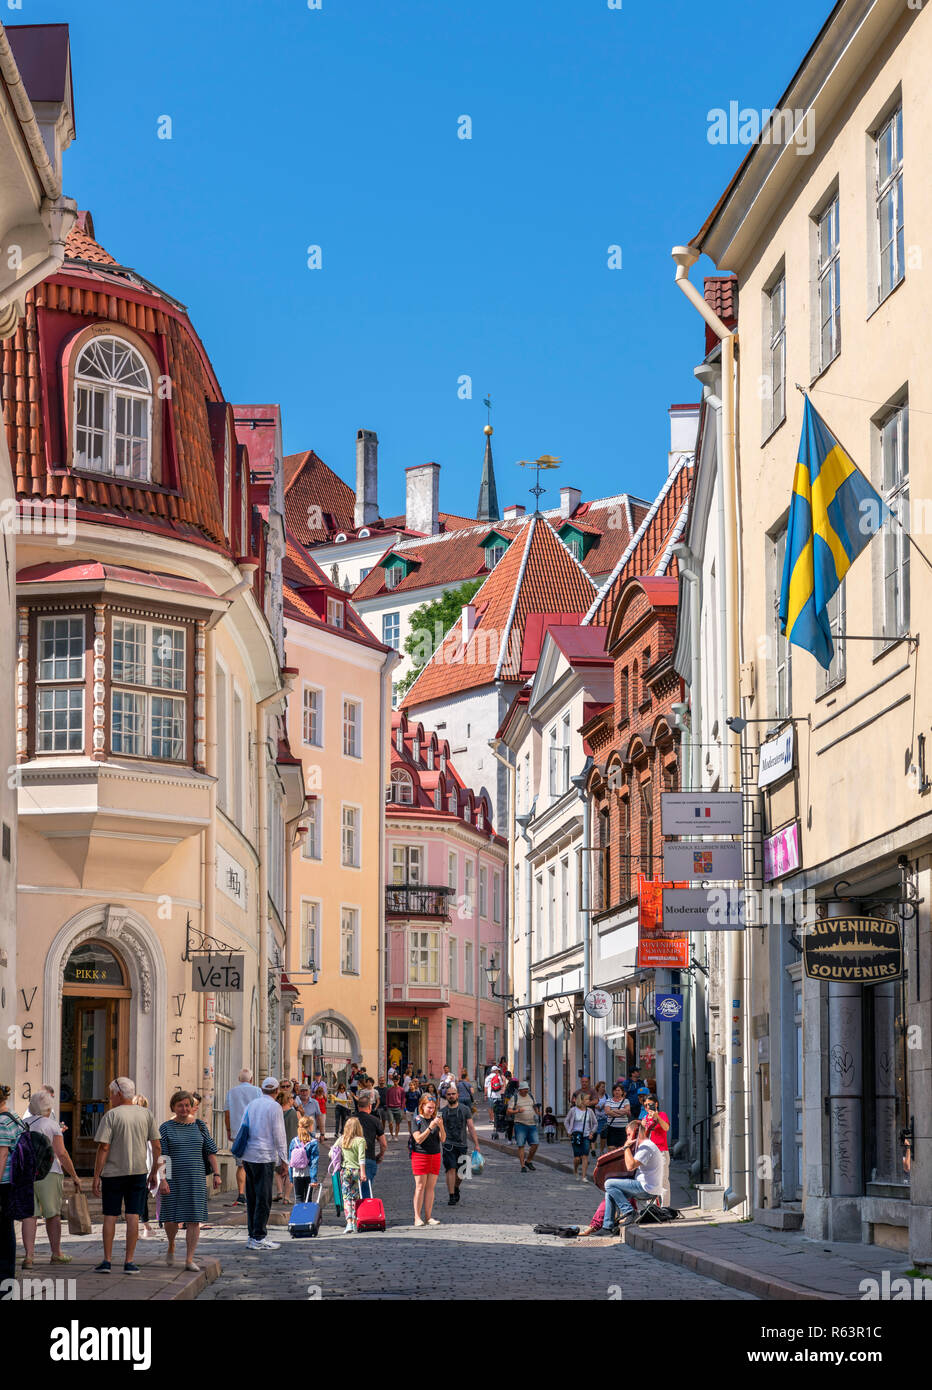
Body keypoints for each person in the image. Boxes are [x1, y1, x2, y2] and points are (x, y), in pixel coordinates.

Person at [90, 1077, 161, 1275]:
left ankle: (107, 1260)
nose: (110, 1097)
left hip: (113, 1173)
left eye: (111, 1093)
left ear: (118, 1093)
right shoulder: (146, 1114)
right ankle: (129, 1261)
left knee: (110, 1216)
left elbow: (104, 1147)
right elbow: (156, 1146)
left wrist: (96, 1175)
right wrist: (154, 1171)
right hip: (138, 1171)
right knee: (133, 1216)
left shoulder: (112, 1116)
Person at [158, 1090, 220, 1272]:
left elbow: (210, 1151)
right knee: (170, 1218)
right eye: (180, 1105)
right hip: (173, 1178)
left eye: (187, 1105)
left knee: (194, 1219)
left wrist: (217, 1173)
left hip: (196, 1178)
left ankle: (189, 1258)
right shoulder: (165, 1128)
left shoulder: (200, 1126)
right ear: (173, 1107)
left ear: (192, 1106)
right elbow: (163, 1157)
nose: (184, 1109)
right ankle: (171, 1244)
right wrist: (162, 1179)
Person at [19, 1089, 80, 1268]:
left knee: (29, 1215)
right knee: (52, 1214)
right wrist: (74, 1175)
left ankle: (29, 1256)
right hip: (49, 1173)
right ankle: (56, 1253)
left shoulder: (22, 1124)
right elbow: (61, 1153)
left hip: (27, 1174)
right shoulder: (52, 1125)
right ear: (48, 1107)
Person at [240, 1076, 289, 1252]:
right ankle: (259, 1236)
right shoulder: (274, 1107)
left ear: (261, 1090)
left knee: (252, 1197)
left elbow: (243, 1127)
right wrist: (284, 1160)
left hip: (249, 1156)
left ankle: (252, 1235)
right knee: (264, 1198)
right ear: (276, 1091)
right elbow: (279, 1135)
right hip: (264, 1156)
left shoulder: (252, 1104)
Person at [602, 1119, 664, 1231]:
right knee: (610, 1192)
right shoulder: (644, 1146)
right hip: (645, 1186)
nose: (628, 1138)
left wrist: (626, 1148)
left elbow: (630, 1166)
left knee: (609, 1183)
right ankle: (607, 1226)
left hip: (647, 1188)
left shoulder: (646, 1147)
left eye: (629, 1135)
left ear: (636, 1133)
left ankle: (629, 1212)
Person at [225, 1067, 261, 1208]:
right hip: (254, 1131)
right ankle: (255, 1192)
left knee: (241, 1165)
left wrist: (228, 1130)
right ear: (251, 1079)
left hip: (237, 1132)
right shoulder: (257, 1091)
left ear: (239, 1079)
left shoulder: (231, 1092)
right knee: (254, 1163)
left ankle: (241, 1194)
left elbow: (227, 1113)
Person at [440, 1084, 480, 1206]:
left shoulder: (465, 1109)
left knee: (462, 1172)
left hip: (462, 1144)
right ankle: (451, 1195)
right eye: (449, 1094)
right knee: (450, 1169)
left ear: (458, 1095)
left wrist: (476, 1144)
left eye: (453, 1094)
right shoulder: (442, 1112)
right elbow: (438, 1129)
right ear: (446, 1096)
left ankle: (456, 1187)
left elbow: (471, 1127)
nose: (451, 1096)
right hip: (448, 1145)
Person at [410, 1093, 445, 1227]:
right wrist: (431, 1127)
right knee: (420, 1187)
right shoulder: (417, 1120)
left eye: (433, 1108)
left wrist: (440, 1126)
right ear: (422, 1106)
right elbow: (418, 1139)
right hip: (420, 1155)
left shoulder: (436, 1119)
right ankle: (417, 1217)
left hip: (435, 1155)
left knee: (431, 1187)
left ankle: (429, 1216)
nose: (432, 1110)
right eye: (429, 1107)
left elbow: (443, 1139)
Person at [0, 1082, 23, 1281]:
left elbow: (2, 1155)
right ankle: (7, 1275)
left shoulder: (1, 1122)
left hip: (3, 1183)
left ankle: (4, 1275)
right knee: (7, 1229)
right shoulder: (14, 1117)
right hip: (14, 1182)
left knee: (4, 1230)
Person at [338, 1116, 368, 1235]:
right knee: (355, 1197)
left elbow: (331, 1152)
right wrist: (363, 1172)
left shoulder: (342, 1139)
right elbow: (361, 1158)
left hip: (345, 1170)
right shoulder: (360, 1140)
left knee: (346, 1197)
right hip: (356, 1171)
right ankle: (355, 1222)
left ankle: (349, 1222)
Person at [355, 1090, 386, 1193]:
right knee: (365, 1191)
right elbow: (383, 1144)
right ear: (370, 1107)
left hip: (351, 1160)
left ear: (358, 1107)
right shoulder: (375, 1120)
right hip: (368, 1157)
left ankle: (352, 1209)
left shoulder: (350, 1119)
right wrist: (380, 1155)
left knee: (351, 1193)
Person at [642, 1094, 671, 1205]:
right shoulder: (645, 1118)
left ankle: (665, 1208)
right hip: (649, 1154)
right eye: (645, 1105)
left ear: (656, 1104)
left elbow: (666, 1128)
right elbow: (643, 1138)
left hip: (661, 1151)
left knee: (663, 1181)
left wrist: (657, 1117)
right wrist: (643, 1126)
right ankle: (652, 1208)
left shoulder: (662, 1115)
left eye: (650, 1104)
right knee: (650, 1181)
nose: (648, 1107)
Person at [507, 1080, 540, 1174]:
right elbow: (508, 1111)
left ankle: (528, 1161)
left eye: (527, 1089)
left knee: (535, 1144)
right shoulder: (515, 1098)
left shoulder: (531, 1096)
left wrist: (538, 1113)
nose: (526, 1091)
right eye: (524, 1089)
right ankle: (522, 1166)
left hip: (532, 1124)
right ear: (520, 1090)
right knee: (521, 1145)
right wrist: (517, 1111)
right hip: (520, 1124)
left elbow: (534, 1106)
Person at [564, 1094, 597, 1182]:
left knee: (585, 1156)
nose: (589, 1101)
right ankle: (575, 1170)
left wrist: (592, 1132)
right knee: (577, 1158)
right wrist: (569, 1131)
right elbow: (566, 1121)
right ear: (581, 1100)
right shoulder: (573, 1110)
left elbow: (595, 1123)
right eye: (587, 1100)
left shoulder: (590, 1111)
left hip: (586, 1136)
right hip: (576, 1136)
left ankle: (583, 1176)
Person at [275, 1088, 299, 1204]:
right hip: (291, 1145)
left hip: (278, 1144)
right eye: (292, 1098)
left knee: (278, 1170)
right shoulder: (294, 1113)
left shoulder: (276, 1111)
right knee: (291, 1171)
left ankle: (279, 1192)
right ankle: (287, 1197)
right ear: (289, 1099)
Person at [289, 1113, 319, 1203]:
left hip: (296, 1173)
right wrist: (313, 1179)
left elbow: (290, 1160)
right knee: (308, 1198)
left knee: (298, 1198)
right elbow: (314, 1161)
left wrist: (291, 1177)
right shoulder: (313, 1142)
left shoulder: (293, 1141)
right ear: (310, 1127)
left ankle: (299, 1216)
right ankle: (307, 1216)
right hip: (308, 1173)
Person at [603, 1084, 631, 1154]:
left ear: (622, 1092)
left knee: (621, 1149)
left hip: (623, 1129)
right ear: (613, 1092)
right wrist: (621, 1112)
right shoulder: (608, 1101)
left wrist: (613, 1111)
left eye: (619, 1090)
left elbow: (627, 1110)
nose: (617, 1092)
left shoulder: (626, 1101)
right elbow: (607, 1111)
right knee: (611, 1148)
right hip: (611, 1128)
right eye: (615, 1090)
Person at [593, 1082, 609, 1154]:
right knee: (594, 1134)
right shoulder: (594, 1096)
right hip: (595, 1118)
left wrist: (605, 1106)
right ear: (598, 1088)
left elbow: (610, 1104)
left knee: (604, 1135)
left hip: (605, 1118)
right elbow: (590, 1103)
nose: (603, 1088)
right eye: (602, 1087)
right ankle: (593, 1149)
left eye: (604, 1087)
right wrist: (595, 1105)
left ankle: (601, 1151)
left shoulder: (607, 1096)